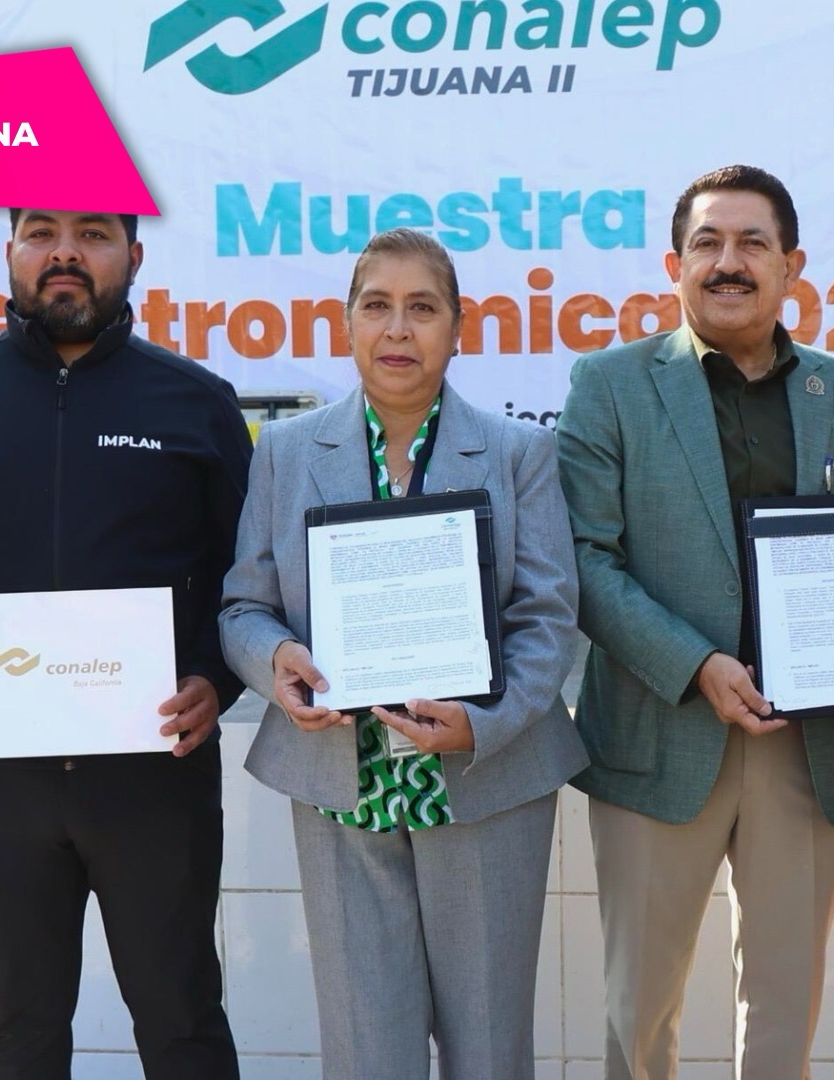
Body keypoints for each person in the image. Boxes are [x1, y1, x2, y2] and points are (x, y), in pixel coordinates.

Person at [0, 209, 248, 1078]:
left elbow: (248, 572)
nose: (65, 251)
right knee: (17, 1037)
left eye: (93, 232)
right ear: (11, 252)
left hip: (156, 775)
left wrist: (216, 677)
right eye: (42, 232)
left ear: (134, 256)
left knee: (183, 1027)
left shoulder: (195, 403)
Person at [556, 164, 834, 1079]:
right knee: (637, 1019)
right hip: (658, 737)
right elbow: (584, 561)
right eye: (708, 244)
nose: (729, 262)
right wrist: (696, 664)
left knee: (781, 1021)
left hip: (805, 751)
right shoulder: (609, 384)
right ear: (674, 266)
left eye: (752, 243)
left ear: (791, 265)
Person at [219, 227, 586, 1080]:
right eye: (376, 306)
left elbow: (547, 618)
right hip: (343, 790)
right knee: (366, 1052)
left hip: (486, 781)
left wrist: (482, 724)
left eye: (422, 308)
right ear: (346, 323)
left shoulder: (519, 453)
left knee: (488, 1049)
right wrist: (277, 660)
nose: (397, 329)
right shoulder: (285, 454)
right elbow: (243, 607)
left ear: (458, 328)